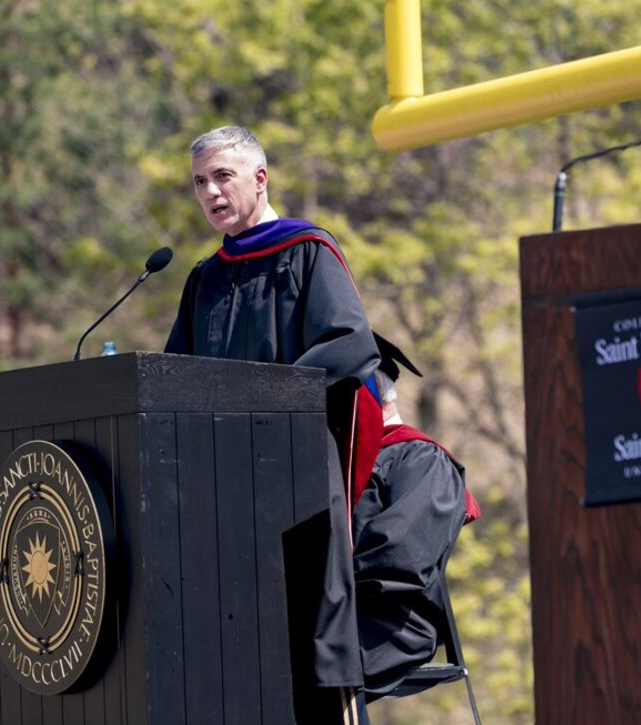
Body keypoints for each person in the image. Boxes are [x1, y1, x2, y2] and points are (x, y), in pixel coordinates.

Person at [164, 126, 382, 710]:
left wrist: (266, 401)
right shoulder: (204, 279)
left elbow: (351, 345)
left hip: (297, 479)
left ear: (260, 179)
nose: (210, 192)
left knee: (302, 638)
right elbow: (172, 377)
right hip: (222, 488)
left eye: (222, 177)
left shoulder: (307, 253)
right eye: (199, 182)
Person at [352, 334, 481, 699]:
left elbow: (399, 557)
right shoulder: (336, 465)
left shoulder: (422, 460)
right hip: (342, 618)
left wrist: (322, 585)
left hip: (390, 625)